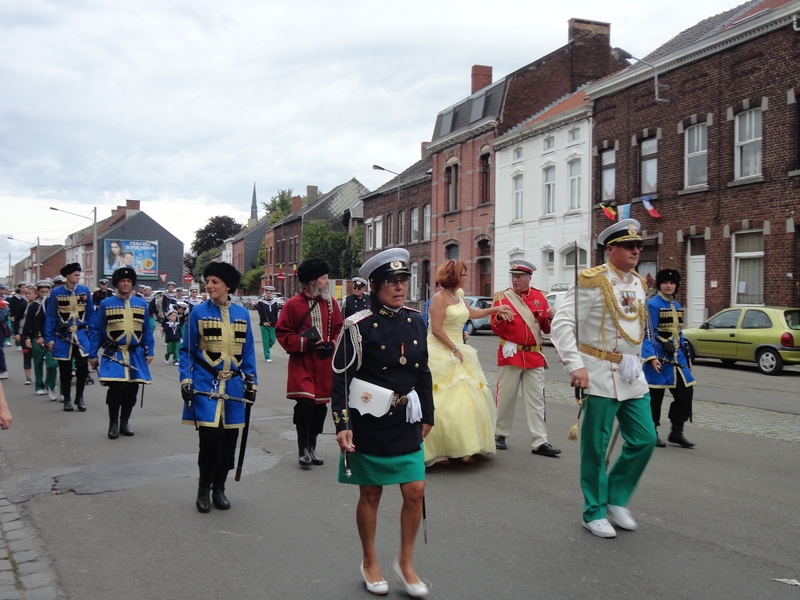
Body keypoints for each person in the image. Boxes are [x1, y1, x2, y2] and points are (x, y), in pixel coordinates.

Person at [332, 247, 434, 598]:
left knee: (416, 492)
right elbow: (341, 379)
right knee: (371, 494)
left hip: (406, 418)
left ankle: (405, 563)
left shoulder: (416, 320)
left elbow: (422, 370)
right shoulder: (357, 326)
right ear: (374, 286)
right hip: (370, 420)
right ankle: (369, 560)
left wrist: (429, 415)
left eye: (403, 280)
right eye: (392, 281)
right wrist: (342, 424)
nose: (399, 287)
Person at [550, 219, 656, 539]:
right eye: (628, 246)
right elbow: (562, 324)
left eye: (638, 245)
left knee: (645, 438)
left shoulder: (638, 283)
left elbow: (637, 329)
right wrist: (575, 366)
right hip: (597, 371)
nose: (635, 250)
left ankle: (616, 498)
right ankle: (593, 510)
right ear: (610, 249)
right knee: (595, 447)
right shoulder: (591, 281)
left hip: (631, 373)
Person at [179, 262, 258, 513]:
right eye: (208, 281)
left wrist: (251, 381)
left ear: (228, 286)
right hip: (205, 385)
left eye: (214, 282)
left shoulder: (242, 314)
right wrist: (186, 379)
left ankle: (219, 488)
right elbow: (186, 351)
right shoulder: (198, 313)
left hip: (234, 387)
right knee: (211, 439)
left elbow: (248, 353)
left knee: (229, 441)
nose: (208, 286)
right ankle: (203, 488)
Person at [423, 260, 511, 466]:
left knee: (468, 398)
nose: (466, 277)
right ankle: (440, 449)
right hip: (441, 350)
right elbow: (436, 330)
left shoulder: (458, 296)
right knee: (442, 400)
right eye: (463, 274)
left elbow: (471, 314)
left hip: (459, 349)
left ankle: (463, 446)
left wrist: (495, 309)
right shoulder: (439, 298)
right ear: (453, 277)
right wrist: (453, 348)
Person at [276, 258, 343, 467]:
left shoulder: (331, 303)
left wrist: (332, 344)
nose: (327, 281)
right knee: (304, 406)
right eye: (324, 278)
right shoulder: (292, 304)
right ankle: (302, 449)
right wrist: (307, 343)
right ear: (313, 281)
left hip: (323, 364)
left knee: (320, 408)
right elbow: (283, 333)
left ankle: (312, 447)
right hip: (302, 363)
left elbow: (339, 330)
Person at [490, 260, 559, 456]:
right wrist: (500, 318)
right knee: (505, 396)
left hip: (533, 354)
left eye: (520, 276)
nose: (515, 280)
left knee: (537, 399)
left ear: (529, 277)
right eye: (513, 276)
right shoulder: (502, 298)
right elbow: (495, 327)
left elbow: (545, 328)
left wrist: (552, 317)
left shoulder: (539, 297)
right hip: (511, 353)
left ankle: (540, 441)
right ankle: (499, 433)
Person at [88, 267, 154, 439]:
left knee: (132, 389)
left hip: (135, 354)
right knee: (117, 388)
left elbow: (147, 330)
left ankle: (125, 422)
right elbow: (96, 330)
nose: (126, 284)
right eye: (122, 281)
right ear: (116, 284)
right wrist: (92, 354)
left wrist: (150, 351)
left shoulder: (141, 304)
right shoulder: (105, 304)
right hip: (114, 354)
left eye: (129, 281)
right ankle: (113, 423)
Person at [642, 269, 696, 449]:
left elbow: (679, 333)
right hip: (659, 357)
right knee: (655, 397)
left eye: (671, 283)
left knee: (685, 393)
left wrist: (687, 356)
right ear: (659, 284)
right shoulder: (652, 304)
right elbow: (648, 332)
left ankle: (676, 431)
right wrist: (651, 357)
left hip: (677, 357)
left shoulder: (678, 306)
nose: (668, 285)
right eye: (665, 282)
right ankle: (652, 432)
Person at [45, 263, 95, 412]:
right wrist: (49, 338)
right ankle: (67, 399)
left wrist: (93, 336)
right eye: (75, 275)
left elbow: (91, 314)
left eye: (79, 275)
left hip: (81, 335)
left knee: (82, 367)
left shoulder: (85, 291)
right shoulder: (56, 293)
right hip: (63, 336)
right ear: (67, 276)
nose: (78, 277)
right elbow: (50, 316)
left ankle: (79, 397)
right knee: (65, 370)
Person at [22, 280, 58, 399]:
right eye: (42, 292)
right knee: (37, 362)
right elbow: (28, 323)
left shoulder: (52, 304)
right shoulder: (33, 306)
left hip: (50, 338)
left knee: (51, 364)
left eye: (46, 291)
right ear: (37, 292)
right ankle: (39, 385)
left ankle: (50, 384)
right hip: (36, 337)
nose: (44, 294)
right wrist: (26, 336)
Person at [13, 285, 37, 386]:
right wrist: (17, 333)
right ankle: (28, 377)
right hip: (24, 333)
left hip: (36, 333)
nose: (27, 295)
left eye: (29, 294)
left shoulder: (39, 305)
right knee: (26, 354)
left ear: (36, 294)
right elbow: (17, 319)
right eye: (26, 293)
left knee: (37, 356)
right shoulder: (23, 305)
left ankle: (39, 377)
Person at [256, 285, 280, 362]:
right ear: (265, 293)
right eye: (267, 293)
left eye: (270, 293)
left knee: (272, 340)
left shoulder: (275, 302)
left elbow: (276, 313)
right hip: (264, 325)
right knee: (265, 340)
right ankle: (267, 356)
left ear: (272, 293)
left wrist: (277, 321)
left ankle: (266, 348)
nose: (268, 294)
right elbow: (261, 313)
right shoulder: (261, 302)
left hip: (273, 324)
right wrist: (264, 322)